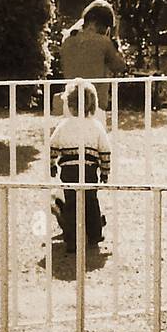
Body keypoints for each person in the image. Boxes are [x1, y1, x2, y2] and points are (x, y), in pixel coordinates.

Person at [49, 79, 111, 253]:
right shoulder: (96, 126)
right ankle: (94, 234)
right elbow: (105, 151)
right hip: (89, 169)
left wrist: (52, 164)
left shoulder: (63, 125)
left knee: (71, 204)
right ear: (93, 104)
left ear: (69, 104)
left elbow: (52, 146)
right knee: (91, 201)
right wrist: (105, 172)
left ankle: (72, 239)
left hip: (69, 170)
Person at [59, 0, 126, 113]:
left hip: (70, 105)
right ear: (94, 23)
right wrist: (116, 41)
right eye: (105, 26)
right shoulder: (104, 42)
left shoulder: (67, 41)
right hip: (94, 106)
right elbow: (119, 66)